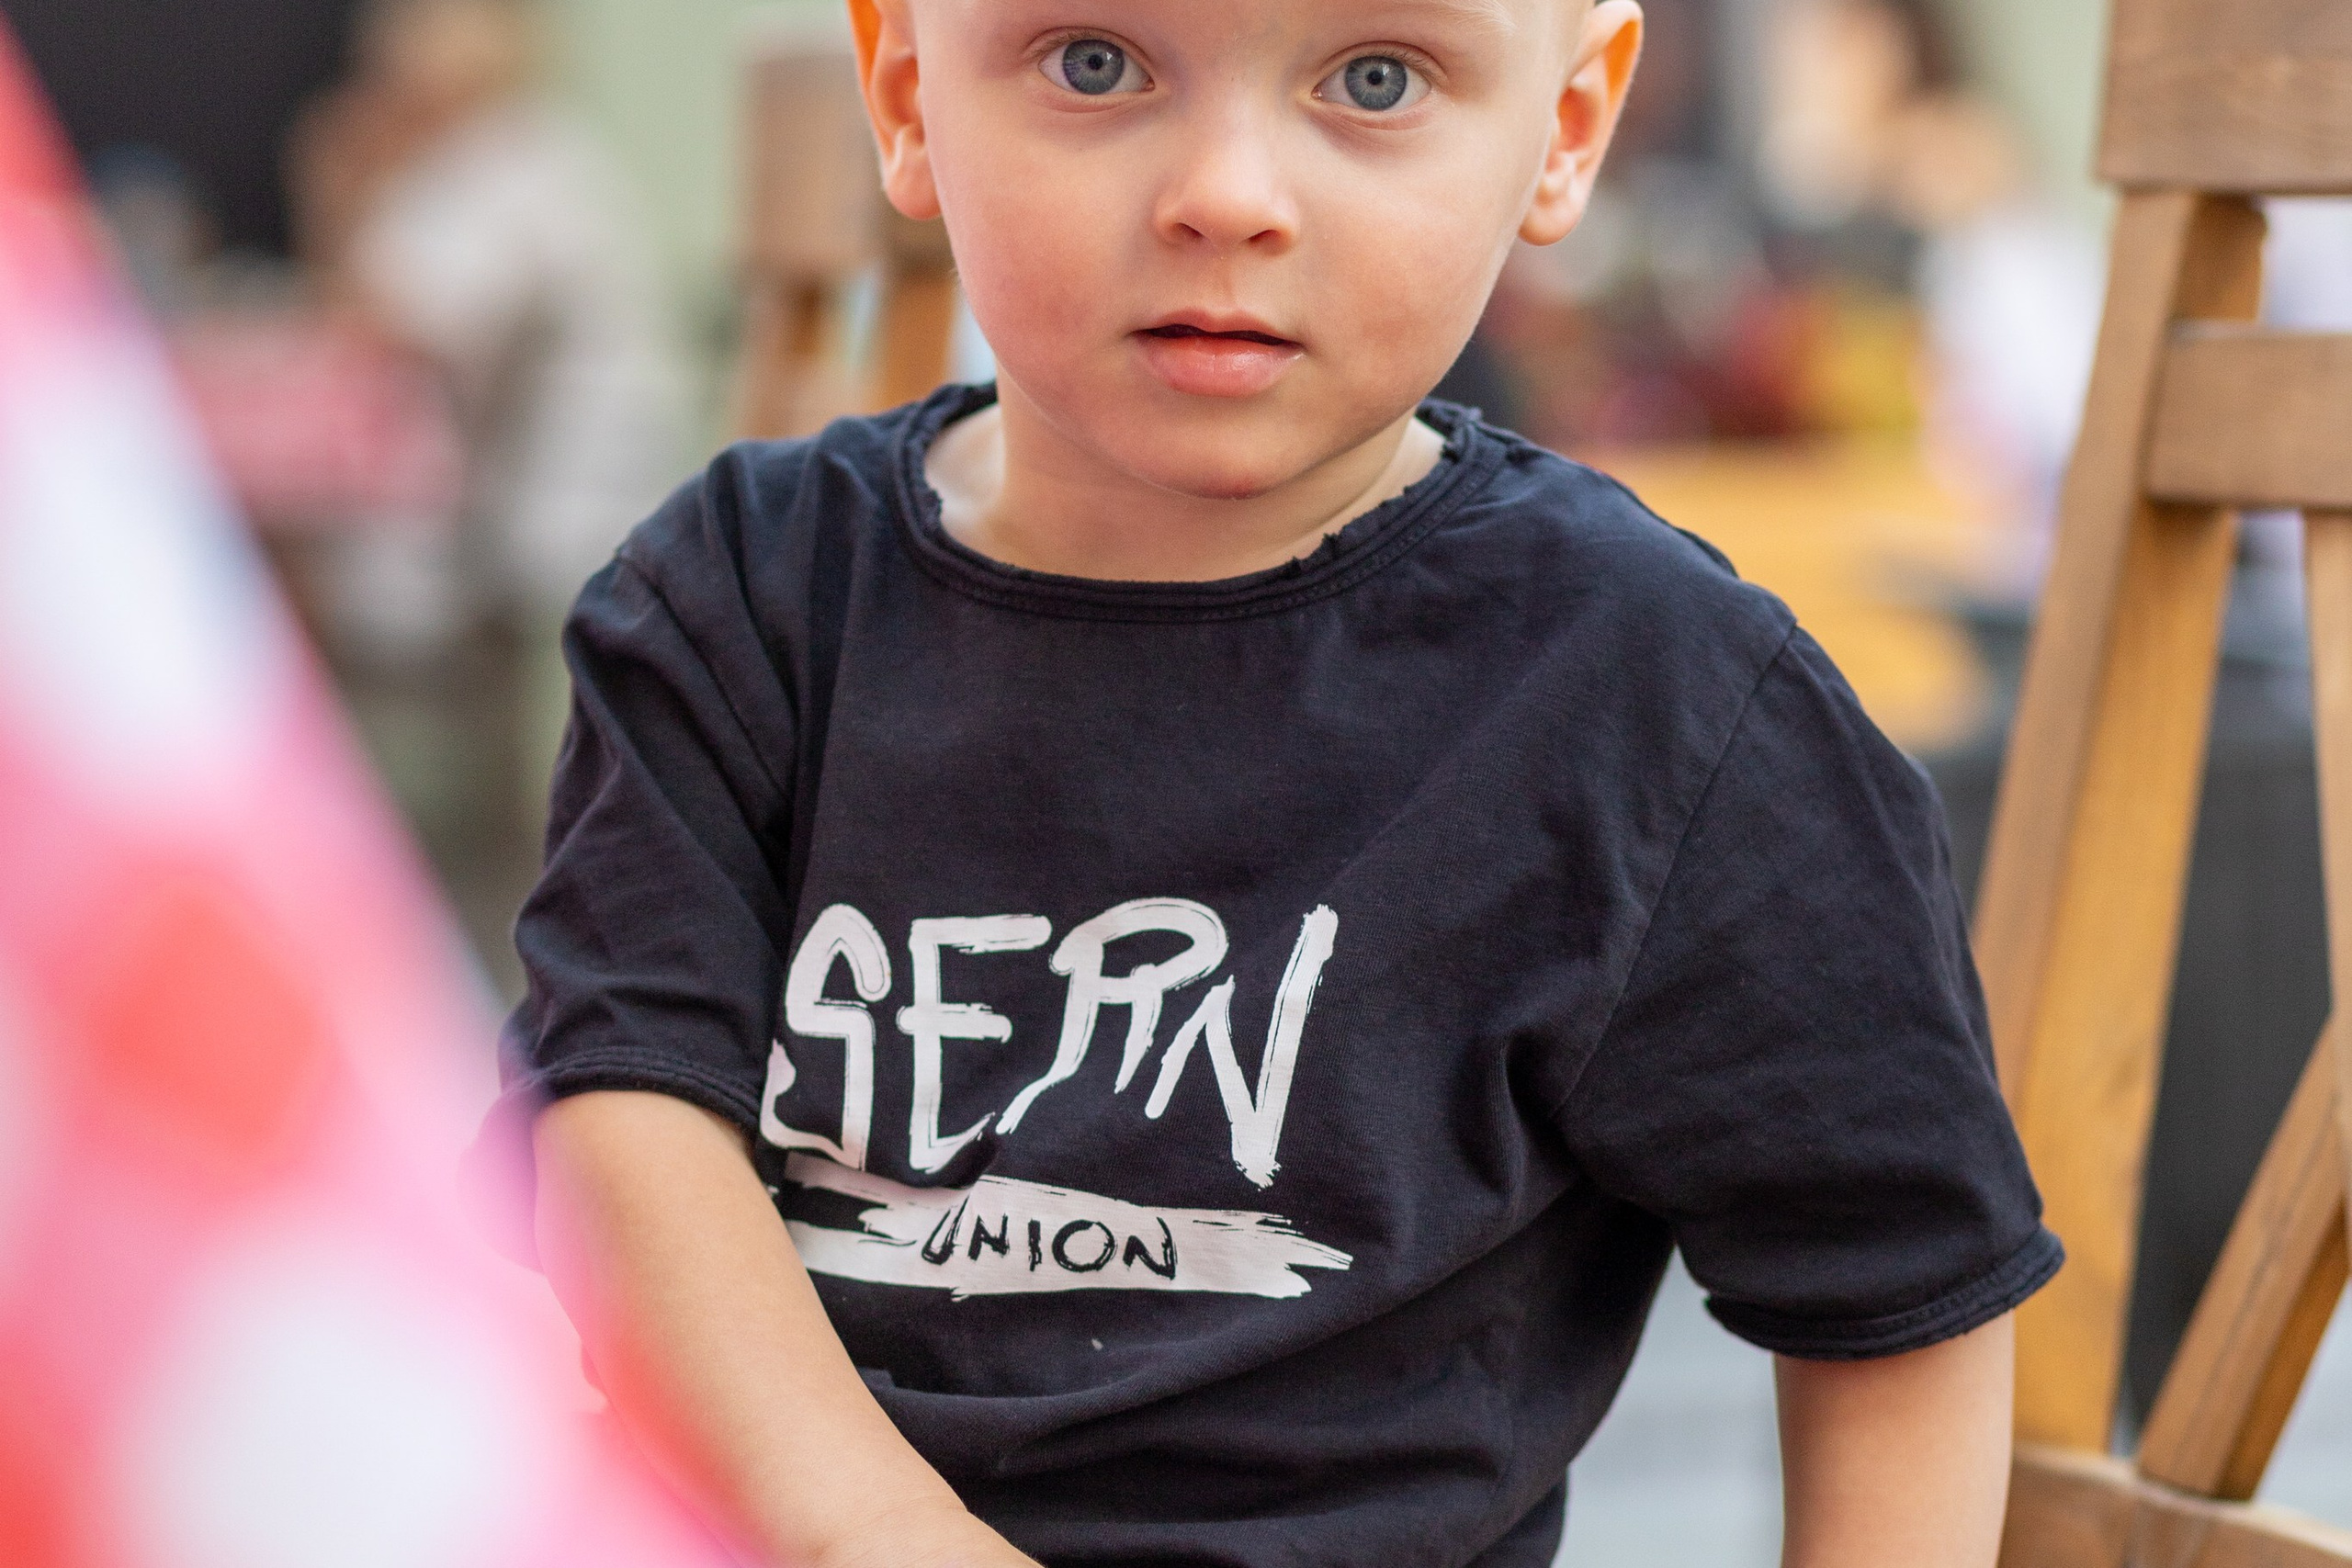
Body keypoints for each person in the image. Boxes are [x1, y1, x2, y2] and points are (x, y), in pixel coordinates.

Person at [501, 4, 2059, 1566]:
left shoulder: (1657, 697)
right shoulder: (741, 602)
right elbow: (620, 1109)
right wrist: (876, 1534)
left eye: (1376, 79)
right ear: (909, 95)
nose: (1226, 193)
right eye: (1096, 63)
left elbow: (1895, 1274)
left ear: (1566, 128)